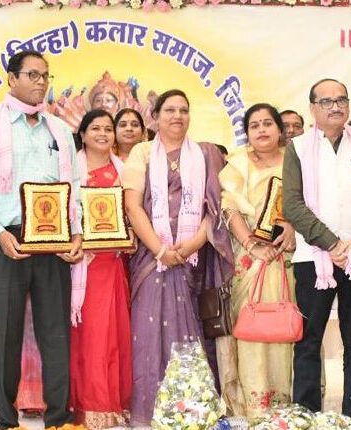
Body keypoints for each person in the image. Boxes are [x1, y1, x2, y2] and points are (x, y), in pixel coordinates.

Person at [0, 50, 83, 430]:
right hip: (6, 240)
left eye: (46, 75)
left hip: (54, 242)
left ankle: (59, 419)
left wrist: (77, 232)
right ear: (12, 79)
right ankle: (5, 420)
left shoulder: (59, 130)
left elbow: (74, 187)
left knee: (56, 333)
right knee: (4, 335)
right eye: (32, 75)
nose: (41, 82)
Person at [121, 89, 234, 425]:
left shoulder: (206, 154)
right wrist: (160, 249)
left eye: (184, 110)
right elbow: (132, 206)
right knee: (148, 330)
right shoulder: (142, 152)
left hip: (193, 259)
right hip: (150, 258)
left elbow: (215, 210)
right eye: (169, 110)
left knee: (191, 329)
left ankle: (191, 408)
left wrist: (191, 245)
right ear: (155, 117)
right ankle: (150, 408)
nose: (177, 116)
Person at [283, 78, 351, 427]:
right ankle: (305, 415)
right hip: (314, 258)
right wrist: (333, 244)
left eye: (341, 100)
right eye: (326, 101)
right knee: (309, 340)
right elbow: (293, 205)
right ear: (313, 108)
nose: (335, 107)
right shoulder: (297, 147)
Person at [217, 103, 297, 419]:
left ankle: (284, 402)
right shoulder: (237, 164)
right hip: (249, 258)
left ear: (280, 129)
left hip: (288, 255)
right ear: (247, 133)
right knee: (251, 326)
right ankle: (255, 404)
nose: (262, 130)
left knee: (285, 323)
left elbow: (308, 203)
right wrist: (252, 245)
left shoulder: (296, 161)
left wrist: (292, 228)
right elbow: (230, 208)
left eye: (267, 123)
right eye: (254, 125)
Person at [69, 109, 133, 428]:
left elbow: (133, 213)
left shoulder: (124, 171)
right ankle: (87, 404)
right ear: (82, 134)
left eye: (108, 129)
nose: (103, 134)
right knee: (87, 337)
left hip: (113, 264)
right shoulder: (70, 170)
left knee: (112, 336)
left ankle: (112, 403)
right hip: (82, 264)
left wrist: (131, 235)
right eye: (95, 128)